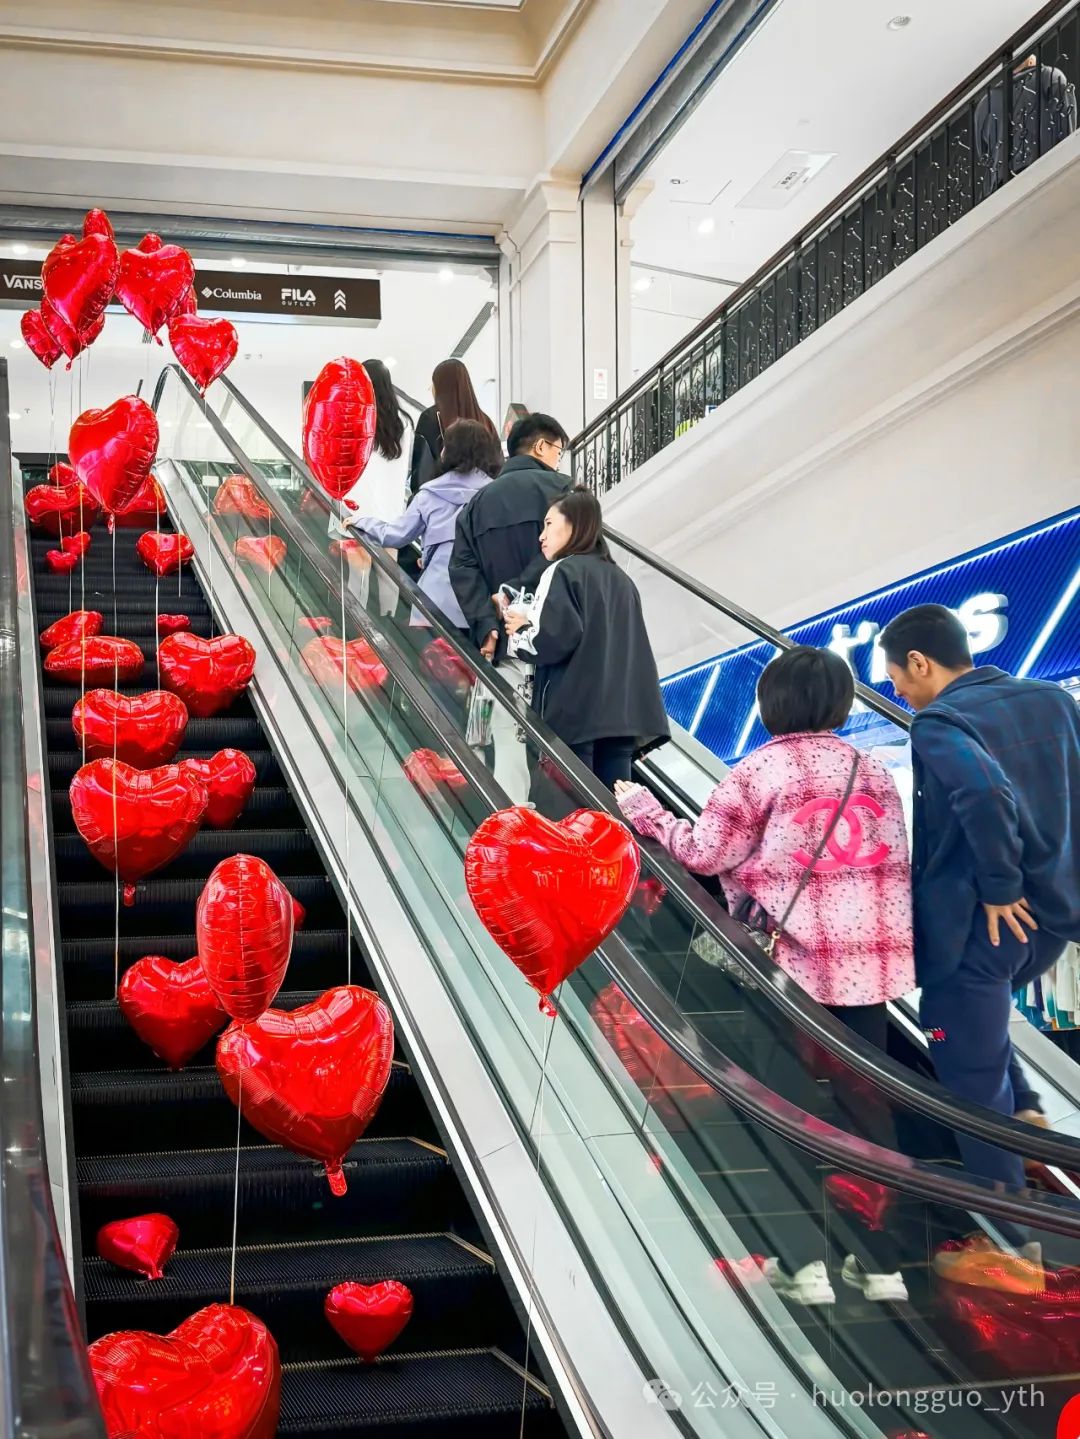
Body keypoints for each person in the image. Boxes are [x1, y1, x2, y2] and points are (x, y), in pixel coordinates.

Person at [615, 645, 915, 1304]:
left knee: (786, 1112)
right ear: (840, 703)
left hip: (791, 973)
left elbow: (703, 852)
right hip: (869, 971)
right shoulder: (872, 770)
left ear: (772, 702)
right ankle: (882, 1268)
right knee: (870, 1116)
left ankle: (805, 1265)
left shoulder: (761, 769)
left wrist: (644, 809)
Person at [879, 603, 1080, 1190]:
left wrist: (1000, 886)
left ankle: (1010, 1226)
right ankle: (1028, 1118)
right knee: (979, 1033)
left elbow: (984, 794)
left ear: (919, 662)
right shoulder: (1054, 700)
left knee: (964, 1063)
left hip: (984, 924)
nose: (900, 693)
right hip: (1052, 922)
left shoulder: (940, 722)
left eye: (896, 679)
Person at [504, 488, 668, 787]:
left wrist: (519, 630)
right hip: (622, 717)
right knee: (613, 806)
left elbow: (550, 641)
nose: (541, 536)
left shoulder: (563, 571)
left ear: (574, 525)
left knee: (570, 806)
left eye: (549, 524)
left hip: (574, 714)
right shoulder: (622, 579)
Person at [348, 419, 501, 632]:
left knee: (430, 652)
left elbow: (395, 535)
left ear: (450, 451)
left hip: (434, 599)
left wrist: (362, 522)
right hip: (479, 602)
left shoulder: (429, 494)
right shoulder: (495, 495)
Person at [449, 411, 571, 662]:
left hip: (502, 643)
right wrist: (515, 590)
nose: (558, 462)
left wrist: (486, 625)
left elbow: (462, 569)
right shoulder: (564, 491)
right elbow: (576, 549)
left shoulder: (475, 506)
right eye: (558, 452)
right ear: (540, 446)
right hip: (555, 638)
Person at [407, 358, 499, 499]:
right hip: (483, 501)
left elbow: (421, 474)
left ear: (441, 386)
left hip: (440, 503)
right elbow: (498, 468)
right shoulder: (486, 421)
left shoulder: (430, 418)